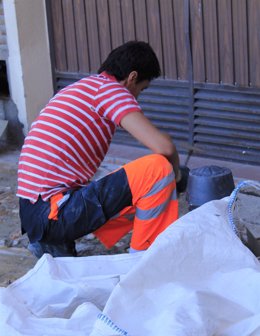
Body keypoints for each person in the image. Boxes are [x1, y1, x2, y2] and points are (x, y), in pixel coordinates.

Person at [17, 41, 187, 259]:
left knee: (131, 182)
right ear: (132, 77)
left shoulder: (84, 87)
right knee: (158, 170)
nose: (137, 97)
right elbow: (164, 147)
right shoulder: (111, 91)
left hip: (37, 212)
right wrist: (178, 176)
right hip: (53, 213)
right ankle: (144, 262)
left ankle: (54, 245)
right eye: (141, 90)